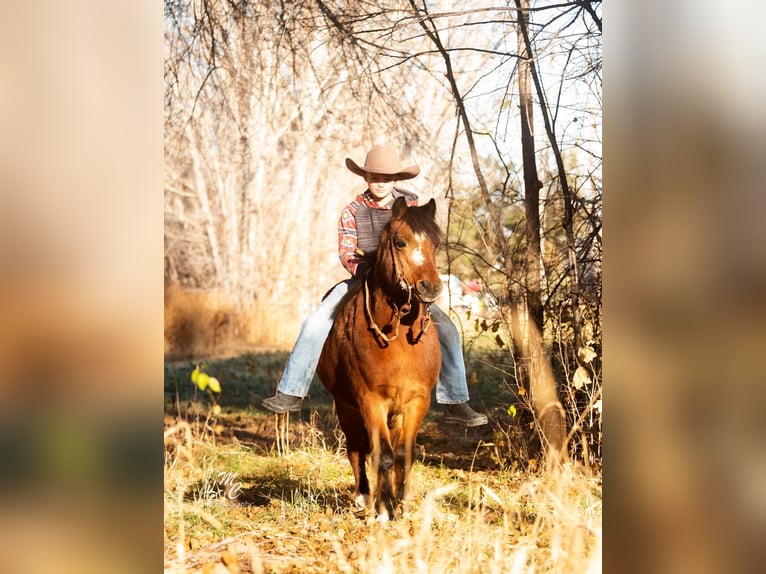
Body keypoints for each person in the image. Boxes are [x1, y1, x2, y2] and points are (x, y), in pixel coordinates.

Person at [261, 145, 488, 427]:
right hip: (364, 277)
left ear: (396, 180)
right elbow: (346, 252)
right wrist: (367, 270)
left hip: (408, 280)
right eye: (375, 177)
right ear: (366, 177)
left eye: (387, 177)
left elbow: (421, 243)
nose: (381, 182)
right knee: (316, 321)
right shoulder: (352, 211)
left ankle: (456, 401)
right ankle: (292, 390)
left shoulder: (412, 204)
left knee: (449, 330)